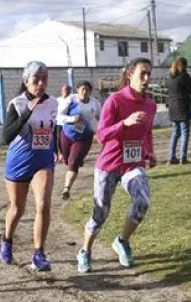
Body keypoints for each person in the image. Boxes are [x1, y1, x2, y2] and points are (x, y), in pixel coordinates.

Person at [76, 58, 157, 273]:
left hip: (132, 164)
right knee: (100, 212)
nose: (147, 79)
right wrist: (125, 123)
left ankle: (122, 241)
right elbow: (101, 135)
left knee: (143, 201)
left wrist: (150, 151)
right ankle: (85, 251)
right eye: (143, 74)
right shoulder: (114, 101)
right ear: (130, 74)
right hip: (109, 164)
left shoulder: (150, 104)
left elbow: (147, 131)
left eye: (149, 74)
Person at [0, 61, 59, 271]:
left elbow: (54, 129)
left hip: (43, 162)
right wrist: (27, 113)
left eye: (44, 80)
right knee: (17, 208)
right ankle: (7, 239)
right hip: (19, 162)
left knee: (43, 203)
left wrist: (57, 150)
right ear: (26, 82)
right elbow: (6, 136)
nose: (41, 84)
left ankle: (38, 253)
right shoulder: (16, 104)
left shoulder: (53, 103)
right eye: (36, 80)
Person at [57, 80, 101, 200]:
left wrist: (98, 131)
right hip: (67, 134)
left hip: (84, 138)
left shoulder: (94, 104)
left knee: (73, 162)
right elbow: (59, 116)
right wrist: (72, 119)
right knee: (67, 160)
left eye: (87, 90)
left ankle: (66, 188)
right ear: (77, 90)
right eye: (82, 89)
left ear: (90, 92)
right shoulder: (71, 100)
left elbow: (101, 118)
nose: (85, 92)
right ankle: (77, 160)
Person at [166, 57, 191, 164]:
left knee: (175, 133)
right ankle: (183, 157)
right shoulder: (184, 76)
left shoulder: (170, 78)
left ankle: (171, 156)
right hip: (182, 106)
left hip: (172, 108)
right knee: (185, 132)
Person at [54, 84, 73, 164]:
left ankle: (65, 155)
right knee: (56, 140)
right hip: (56, 122)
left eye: (67, 90)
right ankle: (57, 155)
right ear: (61, 91)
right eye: (64, 90)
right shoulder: (57, 100)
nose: (66, 92)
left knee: (63, 139)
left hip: (66, 123)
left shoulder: (71, 100)